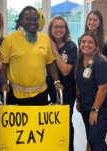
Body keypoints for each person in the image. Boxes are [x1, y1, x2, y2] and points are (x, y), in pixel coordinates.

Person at [0, 6, 63, 105]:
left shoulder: (45, 39)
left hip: (41, 94)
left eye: (35, 19)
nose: (33, 22)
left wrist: (56, 81)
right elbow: (3, 63)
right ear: (21, 20)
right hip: (17, 94)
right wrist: (4, 83)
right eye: (29, 19)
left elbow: (50, 62)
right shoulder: (9, 39)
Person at [75, 31, 107, 151]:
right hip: (85, 103)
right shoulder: (79, 59)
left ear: (95, 45)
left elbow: (103, 90)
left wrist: (94, 110)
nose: (86, 44)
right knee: (90, 136)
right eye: (83, 41)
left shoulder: (101, 63)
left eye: (90, 42)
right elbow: (78, 81)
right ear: (80, 43)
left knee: (96, 138)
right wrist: (78, 100)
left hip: (102, 106)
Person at [46, 15, 77, 151]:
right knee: (51, 121)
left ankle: (68, 148)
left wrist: (54, 50)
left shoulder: (71, 46)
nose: (59, 29)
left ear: (66, 29)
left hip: (66, 90)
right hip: (48, 88)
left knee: (65, 122)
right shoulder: (44, 44)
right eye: (56, 26)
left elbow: (65, 71)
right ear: (51, 28)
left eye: (62, 26)